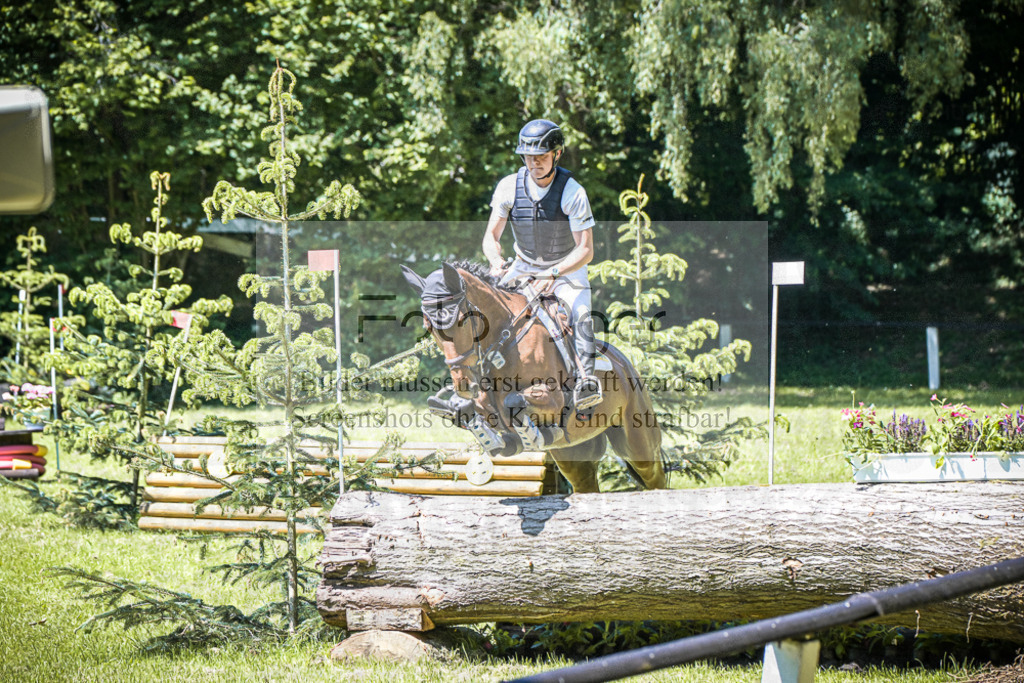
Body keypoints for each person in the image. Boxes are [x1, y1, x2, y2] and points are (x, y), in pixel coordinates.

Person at [483, 118, 602, 411]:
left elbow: (585, 249)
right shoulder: (508, 187)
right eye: (528, 157)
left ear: (557, 155)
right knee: (484, 308)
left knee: (582, 314)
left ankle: (586, 381)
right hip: (522, 266)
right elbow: (491, 236)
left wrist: (553, 272)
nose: (534, 163)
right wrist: (495, 260)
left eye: (541, 157)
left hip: (566, 267)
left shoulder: (573, 192)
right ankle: (474, 375)